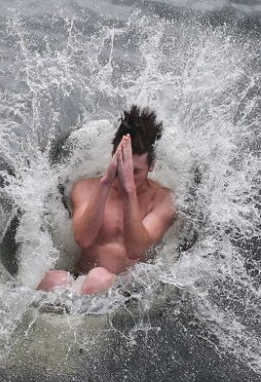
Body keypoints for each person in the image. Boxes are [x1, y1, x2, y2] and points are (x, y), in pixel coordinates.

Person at [38, 105, 176, 295]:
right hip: (83, 280)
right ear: (113, 157)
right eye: (122, 166)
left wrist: (128, 190)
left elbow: (135, 249)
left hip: (124, 293)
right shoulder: (85, 188)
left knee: (99, 277)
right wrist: (105, 183)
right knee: (53, 279)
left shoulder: (163, 200)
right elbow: (83, 240)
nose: (126, 175)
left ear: (151, 166)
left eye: (135, 171)